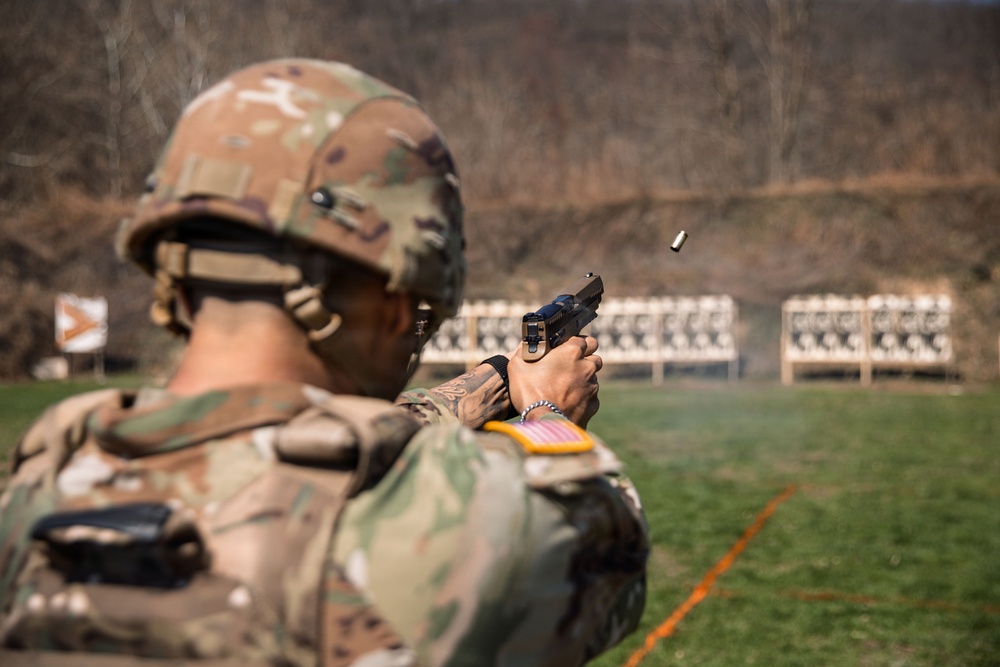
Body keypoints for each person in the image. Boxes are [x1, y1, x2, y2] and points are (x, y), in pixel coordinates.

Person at [0, 58, 648, 666]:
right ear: (400, 298)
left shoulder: (34, 494)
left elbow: (312, 441)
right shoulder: (456, 524)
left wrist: (500, 379)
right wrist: (547, 415)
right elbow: (613, 547)